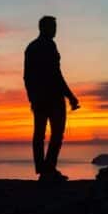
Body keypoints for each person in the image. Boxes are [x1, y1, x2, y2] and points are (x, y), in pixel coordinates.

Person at [24, 16, 80, 181]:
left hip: (39, 98)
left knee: (40, 134)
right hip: (53, 98)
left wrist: (32, 98)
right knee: (55, 134)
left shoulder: (31, 47)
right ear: (44, 28)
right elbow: (56, 75)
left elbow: (27, 77)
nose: (55, 30)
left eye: (55, 26)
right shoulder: (48, 46)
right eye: (53, 27)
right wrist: (70, 96)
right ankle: (48, 170)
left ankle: (44, 170)